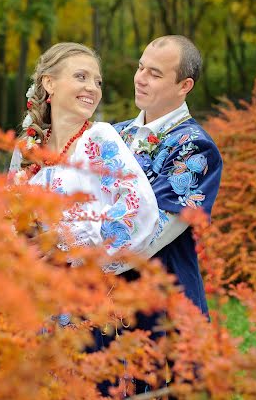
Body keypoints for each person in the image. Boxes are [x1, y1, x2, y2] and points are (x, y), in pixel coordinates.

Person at [8, 42, 161, 279]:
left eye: (97, 82)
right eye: (81, 77)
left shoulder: (99, 138)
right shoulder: (28, 148)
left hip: (84, 292)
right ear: (50, 83)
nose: (92, 88)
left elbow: (139, 205)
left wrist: (70, 243)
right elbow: (9, 215)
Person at [114, 35, 223, 317]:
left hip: (164, 305)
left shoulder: (195, 148)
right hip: (109, 303)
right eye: (141, 67)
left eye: (155, 74)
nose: (140, 78)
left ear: (184, 86)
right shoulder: (114, 135)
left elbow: (153, 231)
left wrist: (80, 258)